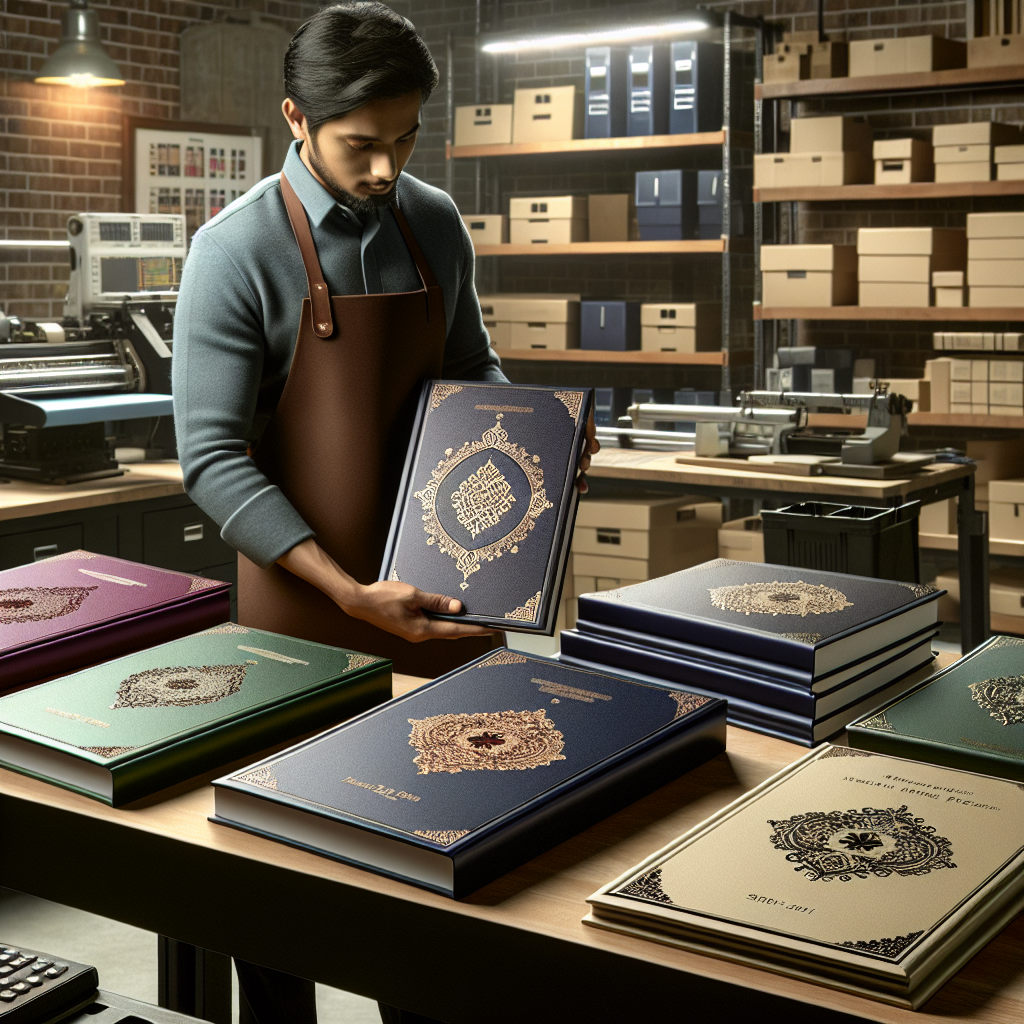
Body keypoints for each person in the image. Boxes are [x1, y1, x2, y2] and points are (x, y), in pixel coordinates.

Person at [172, 5, 596, 1022]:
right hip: (301, 630)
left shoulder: (434, 221)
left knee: (437, 905)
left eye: (406, 138)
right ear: (296, 119)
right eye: (363, 143)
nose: (385, 168)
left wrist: (536, 430)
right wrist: (350, 593)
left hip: (441, 604)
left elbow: (466, 373)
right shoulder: (231, 254)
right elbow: (211, 460)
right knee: (281, 915)